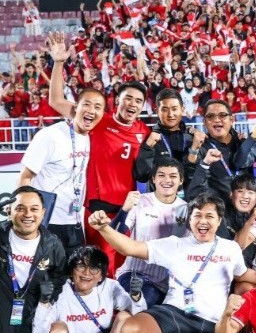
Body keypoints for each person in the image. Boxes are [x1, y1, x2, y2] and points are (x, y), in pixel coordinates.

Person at [87, 192, 256, 333]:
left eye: (209, 216)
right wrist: (103, 228)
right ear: (189, 220)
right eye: (197, 215)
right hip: (177, 315)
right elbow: (129, 247)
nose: (203, 221)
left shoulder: (230, 248)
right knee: (130, 330)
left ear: (219, 220)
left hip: (214, 326)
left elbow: (243, 274)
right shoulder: (175, 244)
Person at [47, 33, 151, 277]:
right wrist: (59, 63)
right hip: (95, 209)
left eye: (138, 101)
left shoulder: (144, 132)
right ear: (117, 101)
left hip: (126, 212)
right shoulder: (97, 119)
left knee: (121, 269)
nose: (132, 104)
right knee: (97, 267)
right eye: (127, 99)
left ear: (143, 106)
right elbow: (56, 101)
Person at [16, 88, 106, 258]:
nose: (91, 110)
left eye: (97, 107)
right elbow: (25, 177)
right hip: (47, 222)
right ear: (75, 107)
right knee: (44, 273)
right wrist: (29, 220)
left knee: (73, 272)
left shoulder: (93, 137)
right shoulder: (50, 135)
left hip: (75, 222)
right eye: (86, 104)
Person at [0, 186, 65, 333]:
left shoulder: (52, 243)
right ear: (9, 210)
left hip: (29, 328)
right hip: (1, 327)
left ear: (43, 213)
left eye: (34, 209)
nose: (28, 214)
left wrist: (49, 296)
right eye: (20, 208)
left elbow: (60, 276)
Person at [110, 157, 188, 307]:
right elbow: (115, 234)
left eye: (173, 176)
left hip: (168, 282)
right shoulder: (139, 201)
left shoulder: (187, 210)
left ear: (181, 181)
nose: (167, 180)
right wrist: (124, 210)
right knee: (142, 306)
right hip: (134, 274)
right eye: (161, 175)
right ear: (153, 179)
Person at [134, 88, 206, 189]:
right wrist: (147, 148)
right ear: (156, 110)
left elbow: (199, 176)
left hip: (188, 196)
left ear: (182, 109)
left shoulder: (193, 138)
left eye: (174, 109)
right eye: (164, 109)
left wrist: (193, 151)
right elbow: (142, 176)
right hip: (158, 197)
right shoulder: (148, 138)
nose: (170, 114)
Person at [183, 100, 244, 205]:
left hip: (244, 210)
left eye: (222, 115)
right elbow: (191, 182)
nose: (216, 120)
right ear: (204, 122)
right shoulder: (200, 147)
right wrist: (194, 147)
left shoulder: (243, 144)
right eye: (210, 116)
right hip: (217, 211)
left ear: (232, 119)